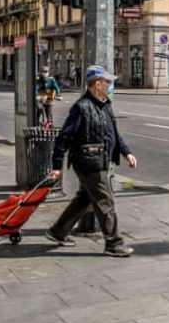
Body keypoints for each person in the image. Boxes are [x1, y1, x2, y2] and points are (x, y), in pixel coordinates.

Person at [46, 65, 137, 257]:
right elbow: (64, 138)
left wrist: (126, 152)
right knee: (106, 201)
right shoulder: (82, 107)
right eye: (107, 82)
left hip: (101, 159)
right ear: (97, 84)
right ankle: (114, 243)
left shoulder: (104, 104)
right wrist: (56, 166)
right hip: (88, 162)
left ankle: (58, 231)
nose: (110, 85)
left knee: (84, 198)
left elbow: (114, 133)